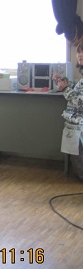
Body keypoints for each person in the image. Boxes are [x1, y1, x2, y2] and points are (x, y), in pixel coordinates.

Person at [53, 41, 83, 181]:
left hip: (79, 125)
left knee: (78, 156)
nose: (80, 55)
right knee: (76, 155)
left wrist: (65, 89)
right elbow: (78, 91)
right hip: (76, 124)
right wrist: (62, 82)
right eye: (78, 52)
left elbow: (80, 103)